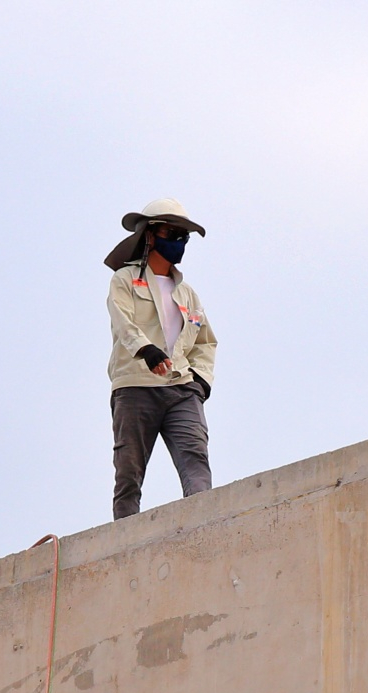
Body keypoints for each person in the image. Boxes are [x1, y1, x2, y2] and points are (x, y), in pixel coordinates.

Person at [104, 198, 218, 521]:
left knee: (196, 458)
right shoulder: (124, 281)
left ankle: (204, 524)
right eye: (172, 233)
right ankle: (124, 535)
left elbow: (206, 340)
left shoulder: (187, 294)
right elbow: (123, 322)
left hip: (181, 389)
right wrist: (146, 349)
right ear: (151, 235)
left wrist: (200, 380)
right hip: (135, 388)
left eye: (184, 236)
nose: (179, 241)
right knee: (129, 472)